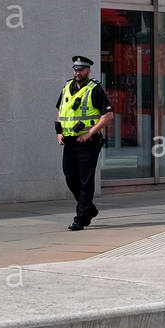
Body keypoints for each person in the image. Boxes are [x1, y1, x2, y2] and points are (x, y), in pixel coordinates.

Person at [56, 55, 113, 231]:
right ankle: (89, 209)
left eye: (81, 69)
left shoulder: (95, 89)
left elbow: (108, 116)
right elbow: (61, 111)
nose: (77, 72)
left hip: (89, 142)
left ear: (88, 70)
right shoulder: (67, 87)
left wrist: (89, 133)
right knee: (70, 176)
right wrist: (59, 132)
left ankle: (80, 218)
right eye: (75, 69)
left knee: (85, 179)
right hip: (70, 141)